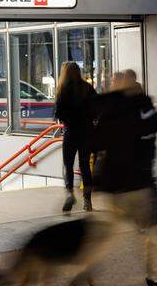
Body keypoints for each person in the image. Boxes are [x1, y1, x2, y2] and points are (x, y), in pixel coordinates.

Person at [91, 70, 157, 286]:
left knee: (104, 235)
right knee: (153, 233)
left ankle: (85, 274)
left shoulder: (112, 111)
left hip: (117, 186)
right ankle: (154, 277)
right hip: (141, 184)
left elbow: (97, 144)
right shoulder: (149, 110)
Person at [54, 62, 97, 212]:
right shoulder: (88, 88)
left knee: (68, 165)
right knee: (85, 166)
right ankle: (87, 201)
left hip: (71, 132)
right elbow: (97, 108)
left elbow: (58, 113)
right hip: (86, 132)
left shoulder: (63, 89)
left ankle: (70, 194)